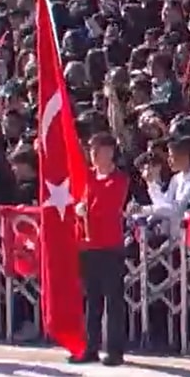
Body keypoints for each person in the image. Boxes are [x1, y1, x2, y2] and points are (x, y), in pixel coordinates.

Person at [71, 132, 131, 366]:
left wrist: (87, 211)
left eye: (98, 150)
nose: (93, 154)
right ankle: (90, 346)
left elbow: (109, 207)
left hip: (109, 246)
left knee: (113, 301)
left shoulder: (119, 179)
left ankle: (115, 350)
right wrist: (79, 209)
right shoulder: (88, 177)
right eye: (91, 150)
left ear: (109, 151)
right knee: (92, 300)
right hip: (88, 246)